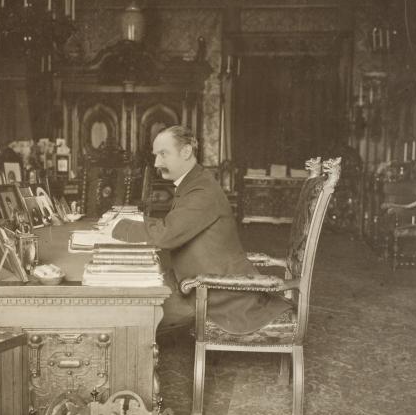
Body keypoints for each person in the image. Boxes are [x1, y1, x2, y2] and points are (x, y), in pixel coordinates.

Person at [109, 126, 291, 335]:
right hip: (198, 280)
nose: (157, 163)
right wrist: (135, 221)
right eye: (155, 155)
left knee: (129, 311)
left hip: (217, 293)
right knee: (128, 294)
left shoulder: (201, 190)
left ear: (186, 152)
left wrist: (117, 226)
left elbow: (167, 235)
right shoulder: (195, 182)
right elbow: (175, 224)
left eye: (163, 154)